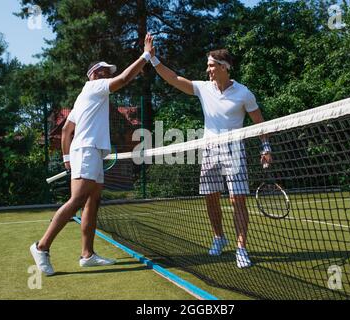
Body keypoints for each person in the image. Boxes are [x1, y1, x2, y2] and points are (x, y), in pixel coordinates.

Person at [30, 34, 155, 276]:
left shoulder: (83, 98)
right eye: (104, 71)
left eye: (108, 72)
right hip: (87, 150)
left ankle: (87, 255)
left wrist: (67, 159)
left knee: (92, 201)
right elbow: (124, 78)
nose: (107, 75)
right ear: (95, 74)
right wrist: (145, 56)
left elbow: (67, 129)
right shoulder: (95, 87)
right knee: (77, 200)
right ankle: (41, 246)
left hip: (89, 151)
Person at [148, 48, 272, 268]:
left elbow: (260, 122)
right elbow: (174, 78)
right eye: (208, 66)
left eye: (212, 66)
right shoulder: (204, 88)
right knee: (210, 197)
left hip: (234, 150)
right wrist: (152, 58)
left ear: (224, 67)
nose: (208, 70)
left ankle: (241, 248)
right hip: (209, 150)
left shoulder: (244, 93)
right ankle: (219, 237)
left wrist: (266, 147)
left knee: (237, 199)